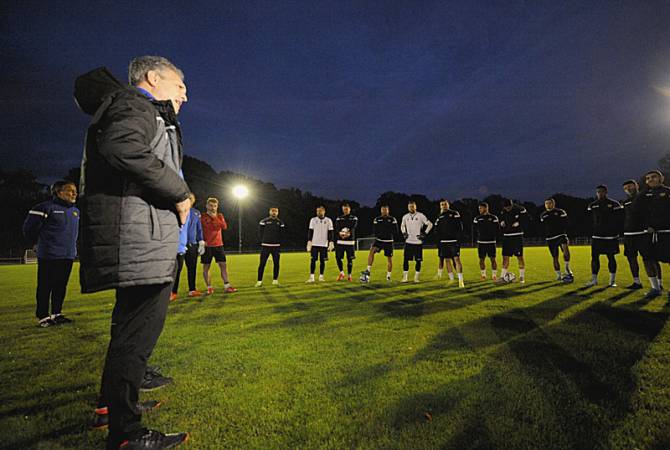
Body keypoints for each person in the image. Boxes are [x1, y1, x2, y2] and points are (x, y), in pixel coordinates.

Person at [75, 56, 190, 448]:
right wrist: (180, 191)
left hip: (139, 240)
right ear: (153, 78)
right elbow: (122, 147)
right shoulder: (135, 104)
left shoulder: (138, 108)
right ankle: (126, 435)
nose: (185, 96)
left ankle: (111, 406)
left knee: (128, 331)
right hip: (139, 242)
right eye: (179, 86)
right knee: (135, 337)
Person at [22, 180, 79, 327]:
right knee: (45, 286)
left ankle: (56, 314)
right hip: (49, 255)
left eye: (75, 190)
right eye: (70, 190)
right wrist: (35, 243)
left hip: (67, 255)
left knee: (61, 286)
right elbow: (28, 228)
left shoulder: (75, 211)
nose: (74, 193)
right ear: (59, 192)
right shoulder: (44, 208)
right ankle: (42, 316)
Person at [586, 185, 623, 287]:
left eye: (602, 191)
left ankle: (612, 281)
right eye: (598, 192)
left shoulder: (614, 204)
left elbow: (620, 219)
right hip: (597, 237)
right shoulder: (592, 205)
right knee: (594, 258)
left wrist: (617, 232)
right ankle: (594, 280)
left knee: (611, 257)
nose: (600, 193)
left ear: (606, 192)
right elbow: (589, 221)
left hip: (611, 237)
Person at [621, 180, 655, 291]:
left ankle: (655, 285)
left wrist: (651, 225)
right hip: (629, 235)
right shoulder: (625, 202)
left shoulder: (644, 197)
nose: (628, 189)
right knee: (631, 259)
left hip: (643, 233)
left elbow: (652, 212)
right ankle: (636, 282)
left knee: (648, 259)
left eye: (630, 186)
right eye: (625, 188)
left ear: (636, 186)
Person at [171, 193, 205, 301]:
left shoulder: (196, 213)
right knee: (177, 269)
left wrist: (201, 241)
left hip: (192, 245)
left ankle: (192, 290)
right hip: (179, 245)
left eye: (190, 199)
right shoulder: (177, 211)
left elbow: (199, 229)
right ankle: (173, 291)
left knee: (192, 268)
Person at [642, 170, 670, 298]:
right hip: (649, 233)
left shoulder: (668, 191)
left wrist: (658, 225)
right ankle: (655, 288)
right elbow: (637, 211)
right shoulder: (645, 194)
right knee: (648, 259)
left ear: (661, 179)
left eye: (654, 177)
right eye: (648, 178)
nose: (650, 180)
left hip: (666, 232)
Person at [201, 197, 237, 294]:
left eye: (215, 206)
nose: (213, 208)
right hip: (207, 246)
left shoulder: (220, 215)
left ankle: (227, 286)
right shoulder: (203, 216)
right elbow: (211, 227)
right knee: (206, 267)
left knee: (223, 265)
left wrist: (214, 217)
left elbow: (224, 226)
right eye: (211, 205)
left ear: (217, 207)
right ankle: (209, 287)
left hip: (218, 245)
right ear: (207, 206)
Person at [360, 205, 399, 282]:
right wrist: (380, 234)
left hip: (388, 241)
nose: (384, 211)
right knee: (371, 251)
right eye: (383, 210)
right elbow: (374, 230)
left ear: (388, 211)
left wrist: (387, 232)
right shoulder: (377, 219)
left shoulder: (392, 219)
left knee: (389, 259)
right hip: (379, 240)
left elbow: (396, 231)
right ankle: (368, 270)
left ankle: (388, 276)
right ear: (381, 211)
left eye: (386, 210)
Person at [539, 198, 573, 282]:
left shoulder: (560, 212)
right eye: (546, 203)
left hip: (561, 235)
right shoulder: (543, 215)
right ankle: (558, 275)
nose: (548, 205)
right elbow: (542, 226)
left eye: (549, 203)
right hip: (550, 238)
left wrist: (565, 234)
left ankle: (567, 268)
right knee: (554, 257)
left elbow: (567, 223)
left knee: (565, 250)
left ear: (553, 204)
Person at [433, 199, 465, 287]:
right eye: (442, 205)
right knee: (447, 260)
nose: (444, 206)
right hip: (443, 242)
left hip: (454, 241)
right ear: (440, 206)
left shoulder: (455, 213)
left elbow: (460, 227)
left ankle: (461, 280)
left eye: (445, 204)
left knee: (456, 259)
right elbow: (436, 230)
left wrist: (459, 239)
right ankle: (451, 279)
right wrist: (438, 240)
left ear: (448, 205)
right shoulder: (440, 216)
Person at [400, 200, 433, 282]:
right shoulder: (405, 217)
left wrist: (424, 234)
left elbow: (430, 224)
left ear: (415, 207)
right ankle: (405, 277)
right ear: (408, 207)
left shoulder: (421, 215)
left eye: (412, 206)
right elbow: (402, 226)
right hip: (408, 242)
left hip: (418, 242)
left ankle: (416, 277)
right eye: (409, 206)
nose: (411, 208)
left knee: (418, 261)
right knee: (406, 260)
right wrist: (404, 233)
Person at [499, 199, 529, 283]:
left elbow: (527, 221)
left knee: (519, 257)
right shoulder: (503, 211)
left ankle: (522, 277)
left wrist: (519, 223)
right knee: (505, 257)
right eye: (506, 207)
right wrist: (501, 223)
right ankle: (502, 277)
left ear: (512, 205)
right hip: (506, 236)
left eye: (509, 207)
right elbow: (501, 220)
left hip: (517, 236)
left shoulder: (520, 210)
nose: (507, 209)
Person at [256, 207, 285, 286]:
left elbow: (282, 234)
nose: (274, 212)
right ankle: (259, 281)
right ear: (269, 212)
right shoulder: (264, 221)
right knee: (262, 264)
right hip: (265, 246)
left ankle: (275, 280)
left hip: (276, 246)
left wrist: (279, 242)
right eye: (273, 211)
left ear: (278, 213)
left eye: (276, 211)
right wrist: (263, 241)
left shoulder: (280, 222)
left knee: (276, 264)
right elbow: (260, 233)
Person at [306, 205, 334, 282]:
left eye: (320, 211)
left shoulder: (328, 220)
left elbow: (331, 232)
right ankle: (312, 277)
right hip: (314, 244)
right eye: (317, 211)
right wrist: (309, 241)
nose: (319, 212)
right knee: (313, 260)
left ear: (324, 211)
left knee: (322, 261)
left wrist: (331, 242)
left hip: (324, 244)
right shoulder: (313, 220)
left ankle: (321, 276)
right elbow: (310, 231)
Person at [473, 202, 499, 281]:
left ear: (486, 208)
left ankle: (494, 275)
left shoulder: (494, 218)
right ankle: (483, 275)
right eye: (479, 208)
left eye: (481, 208)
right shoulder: (477, 218)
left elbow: (497, 229)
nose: (479, 210)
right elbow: (475, 229)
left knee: (493, 259)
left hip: (491, 242)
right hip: (481, 242)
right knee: (481, 259)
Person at [334, 203, 358, 281]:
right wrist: (341, 233)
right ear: (342, 209)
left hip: (350, 242)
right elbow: (337, 228)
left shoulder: (354, 218)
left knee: (349, 259)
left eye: (347, 209)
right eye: (344, 209)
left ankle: (349, 275)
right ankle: (342, 273)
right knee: (338, 258)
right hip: (340, 241)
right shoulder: (339, 218)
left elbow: (353, 227)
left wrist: (348, 233)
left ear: (349, 209)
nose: (345, 210)